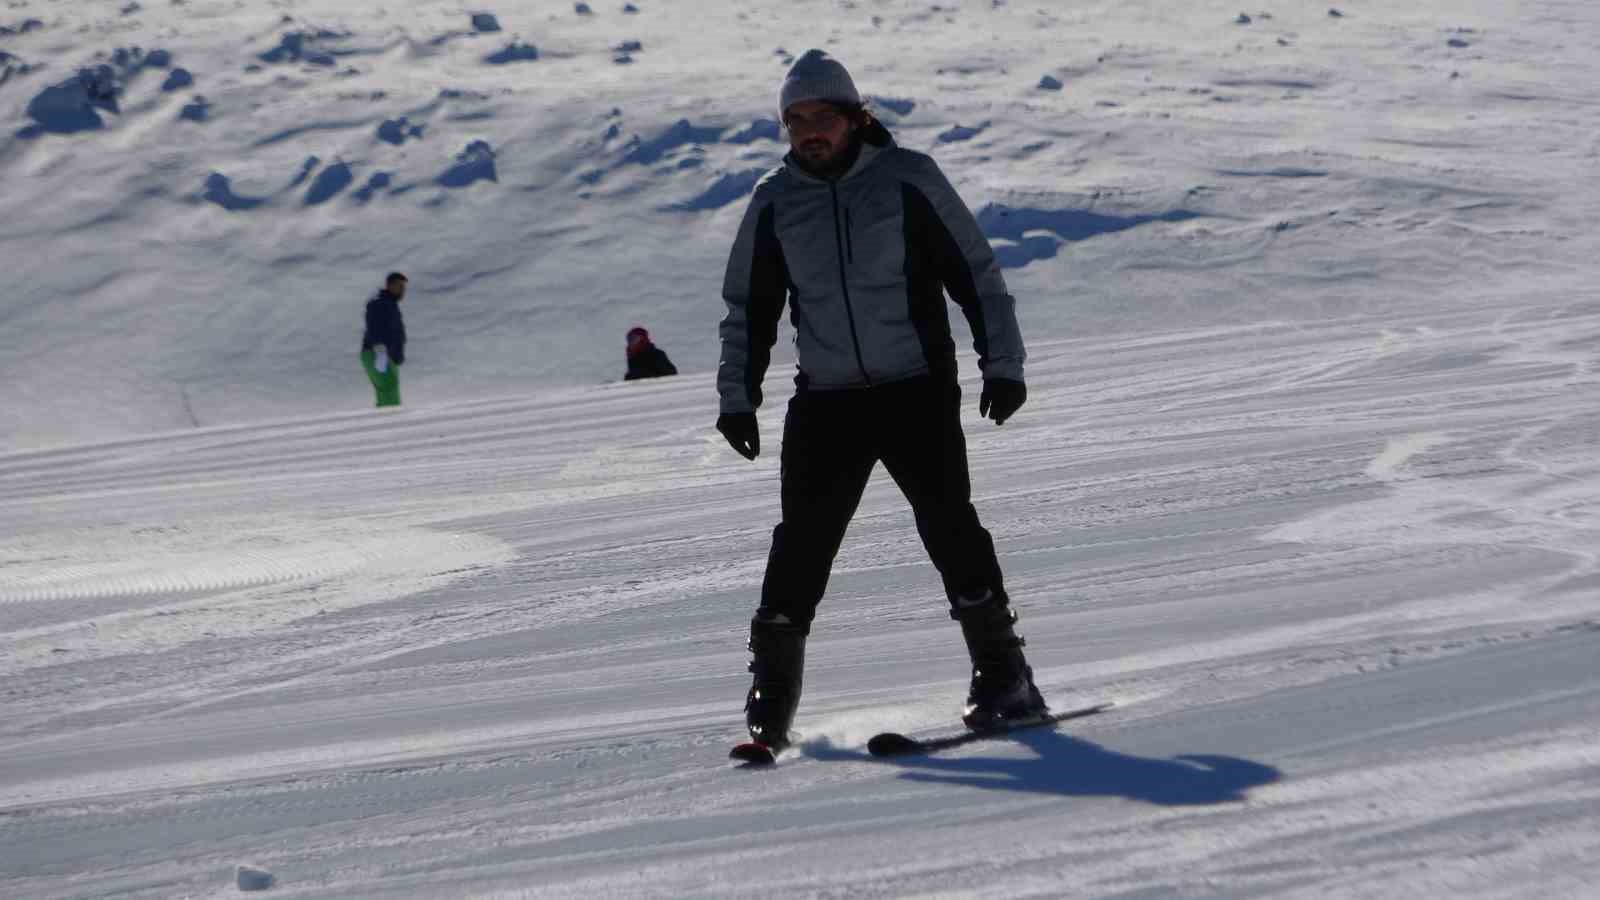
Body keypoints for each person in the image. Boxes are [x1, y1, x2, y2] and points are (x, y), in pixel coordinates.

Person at [715, 49, 1041, 751]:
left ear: (855, 117)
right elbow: (750, 306)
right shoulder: (774, 199)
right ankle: (772, 695)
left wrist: (1002, 364)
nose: (808, 131)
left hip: (914, 388)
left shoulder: (907, 179)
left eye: (821, 117)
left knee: (949, 525)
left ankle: (1005, 676)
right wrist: (736, 398)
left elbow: (976, 274)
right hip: (826, 399)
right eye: (794, 120)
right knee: (801, 544)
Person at [360, 272, 407, 407]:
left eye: (404, 287)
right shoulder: (379, 302)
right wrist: (379, 349)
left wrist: (396, 355)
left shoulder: (390, 304)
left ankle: (388, 424)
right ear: (390, 286)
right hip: (376, 353)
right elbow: (374, 325)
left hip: (386, 355)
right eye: (400, 286)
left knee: (389, 391)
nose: (403, 290)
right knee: (389, 389)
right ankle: (390, 424)